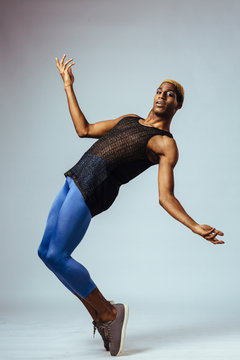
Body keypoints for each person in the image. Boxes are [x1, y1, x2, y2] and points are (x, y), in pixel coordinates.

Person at [38, 54, 224, 357]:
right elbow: (83, 129)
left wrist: (193, 225)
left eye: (171, 95)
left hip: (92, 189)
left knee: (58, 255)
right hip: (73, 180)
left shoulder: (165, 143)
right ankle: (100, 315)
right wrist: (68, 86)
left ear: (178, 105)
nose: (163, 96)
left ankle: (110, 313)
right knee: (45, 253)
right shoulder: (129, 119)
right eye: (160, 91)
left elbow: (166, 197)